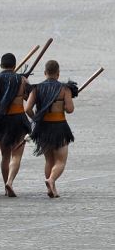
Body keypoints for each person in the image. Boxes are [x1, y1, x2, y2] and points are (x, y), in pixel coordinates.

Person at [0, 53, 31, 197]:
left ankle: (5, 187)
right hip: (19, 119)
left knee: (5, 155)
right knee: (17, 155)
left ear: (1, 65)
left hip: (2, 120)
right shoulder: (22, 80)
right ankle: (9, 182)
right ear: (15, 66)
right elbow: (29, 97)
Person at [25, 60, 76, 198]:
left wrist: (36, 118)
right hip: (59, 126)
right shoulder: (64, 89)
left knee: (49, 160)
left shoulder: (36, 88)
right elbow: (70, 109)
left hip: (44, 127)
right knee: (60, 161)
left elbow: (27, 108)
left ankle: (51, 188)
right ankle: (51, 180)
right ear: (58, 74)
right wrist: (64, 105)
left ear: (45, 73)